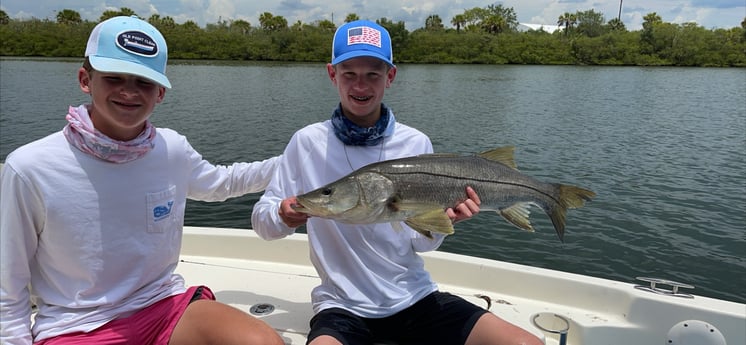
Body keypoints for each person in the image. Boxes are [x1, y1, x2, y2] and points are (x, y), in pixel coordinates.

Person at [251, 20, 543, 345]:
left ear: (390, 77)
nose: (360, 86)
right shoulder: (307, 143)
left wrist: (443, 222)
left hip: (414, 297)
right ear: (332, 74)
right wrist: (282, 214)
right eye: (349, 73)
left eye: (373, 74)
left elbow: (418, 243)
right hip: (341, 308)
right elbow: (262, 223)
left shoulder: (415, 143)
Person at [0, 16, 283, 345]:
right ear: (85, 79)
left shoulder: (172, 148)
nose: (129, 92)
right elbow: (9, 283)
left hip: (163, 305)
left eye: (144, 82)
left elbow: (222, 184)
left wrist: (297, 160)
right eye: (114, 78)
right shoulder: (30, 166)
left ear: (160, 92)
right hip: (76, 325)